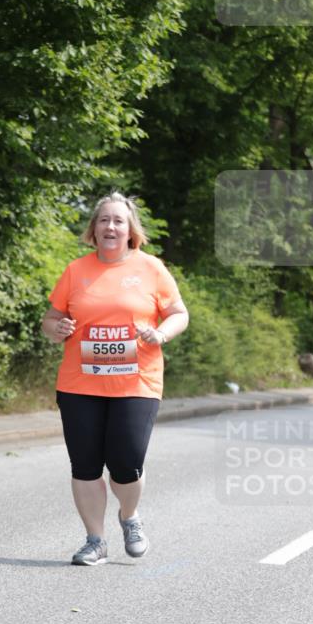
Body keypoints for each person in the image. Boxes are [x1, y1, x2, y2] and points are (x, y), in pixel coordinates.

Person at [42, 192, 189, 566]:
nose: (111, 226)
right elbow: (50, 320)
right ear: (94, 229)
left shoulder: (151, 268)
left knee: (127, 461)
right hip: (80, 383)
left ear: (130, 230)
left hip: (137, 382)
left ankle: (129, 516)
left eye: (118, 221)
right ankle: (95, 541)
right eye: (104, 220)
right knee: (86, 465)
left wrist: (161, 334)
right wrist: (58, 329)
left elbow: (178, 313)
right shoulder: (77, 270)